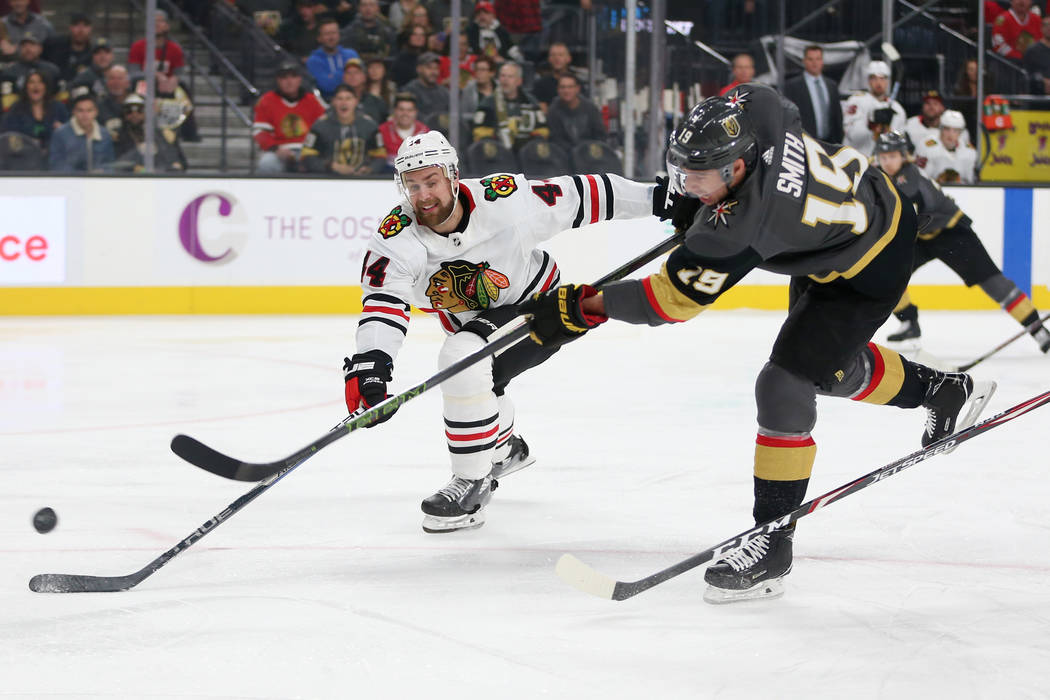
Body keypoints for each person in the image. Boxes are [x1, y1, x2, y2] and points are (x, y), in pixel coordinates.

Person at [518, 84, 995, 604]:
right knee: (822, 369)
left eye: (700, 176)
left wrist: (587, 305)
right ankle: (944, 391)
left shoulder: (746, 226)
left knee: (784, 383)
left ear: (738, 168)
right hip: (849, 220)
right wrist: (697, 199)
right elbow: (762, 102)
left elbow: (668, 303)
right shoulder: (757, 112)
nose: (687, 183)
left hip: (869, 263)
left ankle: (773, 539)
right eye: (683, 170)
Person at [344, 130, 658, 533]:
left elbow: (585, 194)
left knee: (461, 358)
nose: (423, 195)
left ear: (454, 176)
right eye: (413, 184)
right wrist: (372, 363)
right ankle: (505, 449)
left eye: (432, 181)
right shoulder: (395, 237)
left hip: (540, 308)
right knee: (479, 385)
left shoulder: (504, 199)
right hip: (477, 324)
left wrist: (662, 199)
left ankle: (472, 483)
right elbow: (384, 302)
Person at [874, 130, 1050, 352]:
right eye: (884, 157)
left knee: (993, 283)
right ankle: (909, 322)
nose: (888, 161)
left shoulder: (908, 180)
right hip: (922, 234)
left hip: (951, 232)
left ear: (904, 155)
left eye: (893, 156)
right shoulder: (885, 177)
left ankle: (1038, 329)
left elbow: (902, 218)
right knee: (889, 274)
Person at [253, 60, 327, 173]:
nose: (289, 81)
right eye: (284, 77)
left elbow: (323, 129)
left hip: (308, 151)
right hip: (279, 150)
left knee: (320, 164)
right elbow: (260, 133)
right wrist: (276, 149)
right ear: (278, 80)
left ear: (299, 79)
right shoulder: (266, 101)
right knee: (266, 164)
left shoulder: (313, 101)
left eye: (293, 76)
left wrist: (309, 151)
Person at [300, 84, 387, 174]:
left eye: (348, 98)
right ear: (333, 102)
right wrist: (330, 166)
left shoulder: (369, 126)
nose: (344, 103)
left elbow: (380, 156)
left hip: (362, 181)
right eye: (340, 99)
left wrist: (369, 169)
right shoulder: (319, 126)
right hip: (327, 180)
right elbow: (306, 156)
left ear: (356, 101)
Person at [472, 60, 546, 151]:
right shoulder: (488, 103)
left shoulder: (531, 102)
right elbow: (479, 131)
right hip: (497, 152)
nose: (505, 79)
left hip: (527, 152)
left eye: (510, 76)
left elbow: (542, 129)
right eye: (503, 76)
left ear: (519, 81)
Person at [842, 60, 906, 156]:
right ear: (868, 81)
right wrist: (871, 126)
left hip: (882, 163)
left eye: (882, 78)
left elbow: (899, 141)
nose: (878, 83)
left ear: (888, 81)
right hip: (855, 158)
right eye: (874, 78)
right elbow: (851, 135)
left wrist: (888, 129)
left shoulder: (897, 109)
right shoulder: (856, 101)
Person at [782, 44, 843, 144]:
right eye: (810, 59)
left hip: (829, 144)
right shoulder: (792, 86)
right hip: (805, 142)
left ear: (822, 61)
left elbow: (837, 116)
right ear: (804, 61)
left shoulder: (831, 85)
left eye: (818, 59)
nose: (815, 63)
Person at [0, 68, 67, 152]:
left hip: (54, 156)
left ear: (46, 87)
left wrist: (63, 130)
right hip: (24, 156)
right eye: (31, 82)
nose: (36, 86)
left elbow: (70, 135)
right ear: (26, 87)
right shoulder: (16, 109)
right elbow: (7, 135)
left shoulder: (58, 108)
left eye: (40, 82)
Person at [48, 90, 114, 171]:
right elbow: (57, 164)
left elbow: (110, 163)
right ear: (74, 112)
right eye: (80, 110)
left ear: (96, 112)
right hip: (70, 181)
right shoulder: (60, 134)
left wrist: (102, 172)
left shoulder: (104, 134)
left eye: (89, 110)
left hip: (99, 181)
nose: (85, 115)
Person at [546, 73, 604, 152]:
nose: (566, 91)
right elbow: (556, 138)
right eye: (562, 87)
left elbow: (600, 135)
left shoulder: (590, 108)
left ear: (577, 89)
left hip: (589, 154)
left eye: (570, 87)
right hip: (563, 155)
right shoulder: (553, 110)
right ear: (558, 90)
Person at [915, 110, 976, 184]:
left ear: (960, 133)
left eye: (955, 130)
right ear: (940, 129)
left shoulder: (969, 151)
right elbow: (920, 179)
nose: (950, 134)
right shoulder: (926, 147)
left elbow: (971, 183)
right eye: (947, 129)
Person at [306, 15, 360, 100]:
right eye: (327, 34)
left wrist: (333, 76)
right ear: (319, 38)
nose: (331, 37)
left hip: (355, 99)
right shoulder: (313, 61)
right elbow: (327, 86)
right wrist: (347, 73)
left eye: (334, 33)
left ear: (339, 35)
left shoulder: (351, 54)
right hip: (328, 103)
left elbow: (360, 81)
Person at [127, 10, 185, 79]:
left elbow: (180, 74)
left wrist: (174, 80)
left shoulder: (175, 49)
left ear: (167, 26)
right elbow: (133, 73)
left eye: (160, 21)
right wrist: (154, 75)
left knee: (179, 88)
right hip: (143, 84)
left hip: (166, 85)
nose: (156, 24)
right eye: (153, 21)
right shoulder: (137, 47)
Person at [377, 91, 428, 165]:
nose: (405, 114)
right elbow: (378, 160)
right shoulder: (382, 131)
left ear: (416, 112)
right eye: (401, 110)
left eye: (409, 110)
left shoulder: (425, 133)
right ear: (395, 111)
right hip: (388, 174)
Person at [43, 12, 94, 83]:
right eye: (76, 25)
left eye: (85, 25)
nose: (81, 30)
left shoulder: (94, 53)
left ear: (90, 29)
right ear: (70, 27)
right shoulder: (54, 46)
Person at [530, 41, 582, 112]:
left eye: (561, 55)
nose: (557, 58)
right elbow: (541, 111)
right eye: (553, 55)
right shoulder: (541, 84)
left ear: (568, 58)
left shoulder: (577, 82)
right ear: (549, 59)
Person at [342, 57, 389, 124]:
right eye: (348, 73)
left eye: (356, 72)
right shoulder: (336, 102)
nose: (352, 76)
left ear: (364, 77)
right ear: (344, 77)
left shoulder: (377, 103)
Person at [402, 50, 449, 117]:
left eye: (436, 68)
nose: (434, 72)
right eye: (429, 67)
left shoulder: (444, 93)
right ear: (419, 69)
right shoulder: (409, 91)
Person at [1022, 15, 1050, 95]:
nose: (1049, 28)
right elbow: (1027, 73)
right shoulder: (1032, 50)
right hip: (1038, 92)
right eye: (1046, 25)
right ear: (1041, 28)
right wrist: (1043, 80)